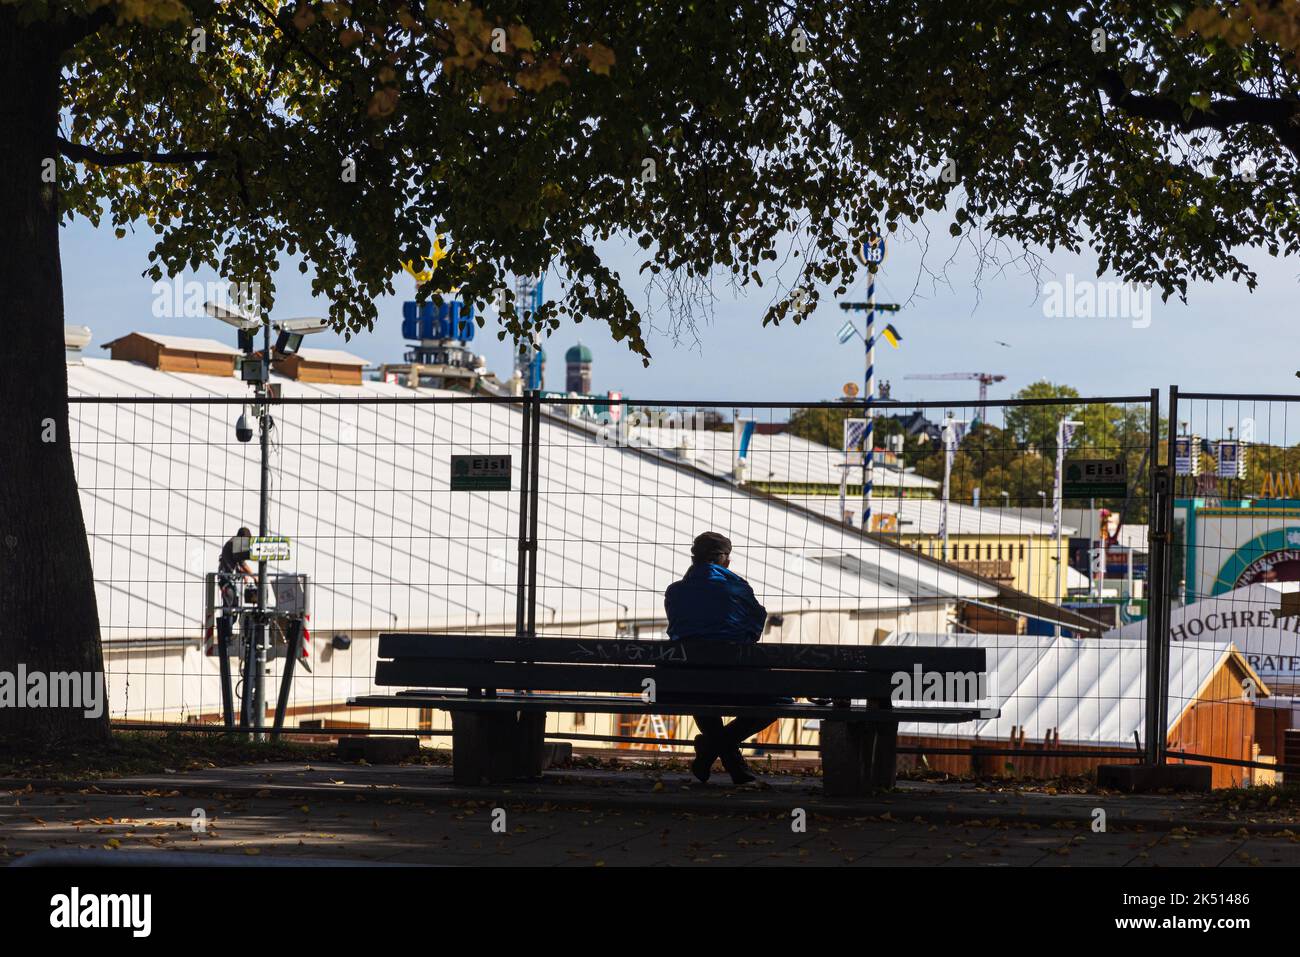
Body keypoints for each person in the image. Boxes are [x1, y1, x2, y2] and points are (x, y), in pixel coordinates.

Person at [664, 531, 778, 786]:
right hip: (735, 679)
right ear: (724, 559)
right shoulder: (738, 588)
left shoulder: (675, 592)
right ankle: (716, 751)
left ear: (694, 558)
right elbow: (755, 629)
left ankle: (714, 750)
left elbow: (677, 630)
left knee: (700, 692)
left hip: (683, 682)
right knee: (775, 702)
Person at [218, 526, 255, 611]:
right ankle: (227, 622)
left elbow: (236, 563)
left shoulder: (233, 542)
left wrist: (244, 575)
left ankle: (228, 621)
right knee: (230, 605)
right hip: (227, 579)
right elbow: (242, 564)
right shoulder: (235, 544)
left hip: (228, 579)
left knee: (233, 605)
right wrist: (254, 577)